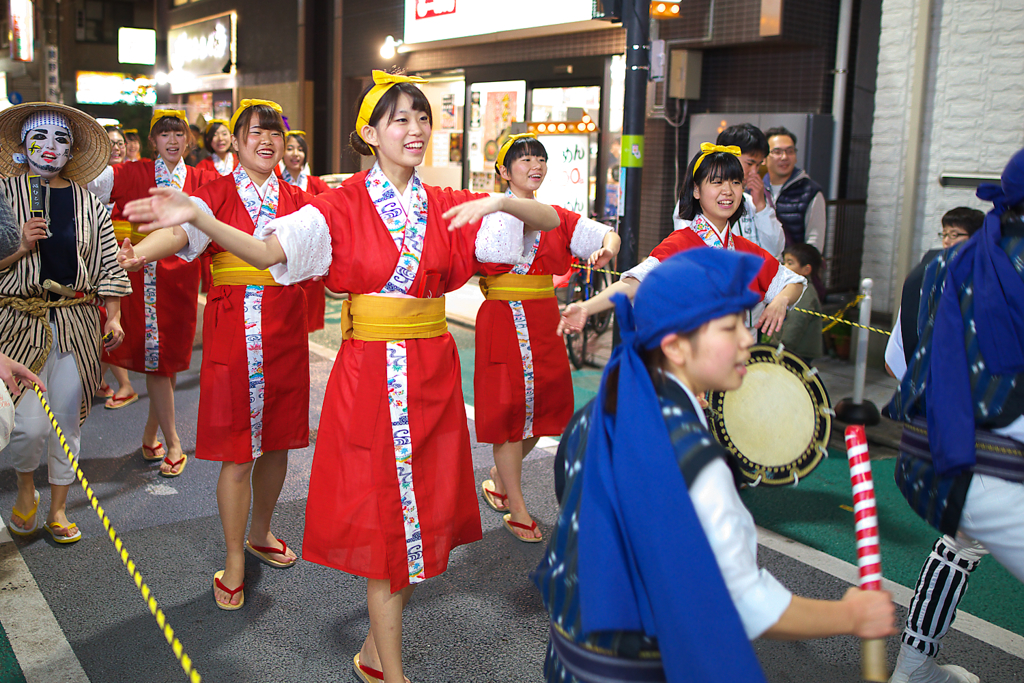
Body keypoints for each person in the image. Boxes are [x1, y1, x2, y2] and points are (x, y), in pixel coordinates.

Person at [124, 70, 561, 683]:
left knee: (421, 515)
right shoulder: (337, 204)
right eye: (400, 119)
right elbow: (268, 254)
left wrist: (499, 199)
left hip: (431, 373)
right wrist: (204, 216)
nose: (415, 130)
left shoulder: (444, 203)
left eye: (422, 117)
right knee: (387, 515)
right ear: (370, 132)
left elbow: (543, 218)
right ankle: (389, 665)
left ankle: (376, 654)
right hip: (369, 374)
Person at [534, 248, 897, 682]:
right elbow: (746, 603)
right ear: (675, 348)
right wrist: (851, 616)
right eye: (728, 328)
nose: (747, 338)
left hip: (570, 655)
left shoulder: (600, 409)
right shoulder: (694, 461)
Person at [118, 100, 311, 610]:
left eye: (274, 132)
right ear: (238, 140)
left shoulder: (300, 197)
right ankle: (233, 557)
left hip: (285, 330)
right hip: (232, 330)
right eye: (255, 132)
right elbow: (181, 232)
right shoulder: (216, 192)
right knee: (235, 451)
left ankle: (261, 532)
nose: (265, 141)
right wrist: (139, 250)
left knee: (278, 442)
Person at [884, 150, 1024, 683]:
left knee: (955, 547)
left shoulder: (937, 268)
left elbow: (900, 360)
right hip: (994, 458)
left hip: (931, 452)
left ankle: (914, 667)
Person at [476, 133, 620, 542]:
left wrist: (607, 249)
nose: (534, 165)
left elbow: (607, 235)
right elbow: (486, 257)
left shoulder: (557, 215)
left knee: (544, 409)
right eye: (523, 160)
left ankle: (498, 477)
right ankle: (516, 505)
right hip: (504, 317)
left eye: (539, 158)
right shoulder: (494, 213)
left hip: (543, 319)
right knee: (509, 413)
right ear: (504, 171)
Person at [0, 103, 131, 543]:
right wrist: (19, 248)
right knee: (28, 424)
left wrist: (112, 315)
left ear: (72, 149)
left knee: (68, 420)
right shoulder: (3, 193)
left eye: (61, 139)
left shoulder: (88, 202)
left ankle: (57, 507)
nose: (50, 146)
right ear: (22, 146)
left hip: (76, 322)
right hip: (18, 322)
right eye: (40, 137)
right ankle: (24, 489)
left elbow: (109, 262)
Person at [559, 145, 805, 339]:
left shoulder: (746, 250)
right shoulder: (680, 243)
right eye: (717, 182)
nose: (728, 190)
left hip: (732, 371)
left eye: (735, 182)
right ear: (696, 190)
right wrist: (587, 308)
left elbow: (794, 282)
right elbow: (633, 283)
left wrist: (781, 300)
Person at [88, 110, 217, 476]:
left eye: (178, 134)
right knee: (160, 363)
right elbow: (91, 182)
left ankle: (149, 436)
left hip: (183, 279)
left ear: (189, 140)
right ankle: (173, 443)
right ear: (153, 141)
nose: (172, 140)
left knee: (171, 361)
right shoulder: (134, 172)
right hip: (143, 275)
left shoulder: (204, 177)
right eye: (164, 134)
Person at [884, 207, 985, 378]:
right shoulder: (929, 269)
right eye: (944, 234)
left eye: (954, 235)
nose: (946, 241)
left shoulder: (981, 275)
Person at [672, 123, 785, 259]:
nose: (754, 172)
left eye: (758, 165)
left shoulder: (750, 201)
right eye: (749, 163)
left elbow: (775, 250)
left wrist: (761, 206)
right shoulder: (698, 200)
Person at [95, 124, 137, 408]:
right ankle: (100, 379)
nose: (117, 147)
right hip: (97, 259)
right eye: (110, 143)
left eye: (120, 142)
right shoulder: (92, 181)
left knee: (112, 320)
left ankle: (125, 384)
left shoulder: (134, 177)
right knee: (103, 320)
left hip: (126, 260)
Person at [280, 129, 330, 332]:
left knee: (307, 316)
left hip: (310, 255)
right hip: (281, 255)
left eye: (300, 149)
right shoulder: (275, 183)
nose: (295, 154)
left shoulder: (316, 184)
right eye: (290, 148)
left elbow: (331, 212)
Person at [763, 126, 826, 251]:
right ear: (763, 158)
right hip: (761, 266)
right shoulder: (754, 189)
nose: (784, 157)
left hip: (792, 268)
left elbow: (815, 240)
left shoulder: (810, 191)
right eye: (777, 152)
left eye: (790, 151)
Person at [769, 242, 824, 363]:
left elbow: (796, 322)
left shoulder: (804, 292)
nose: (784, 267)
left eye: (790, 263)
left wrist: (783, 346)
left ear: (806, 269)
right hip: (790, 349)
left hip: (795, 351)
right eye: (784, 262)